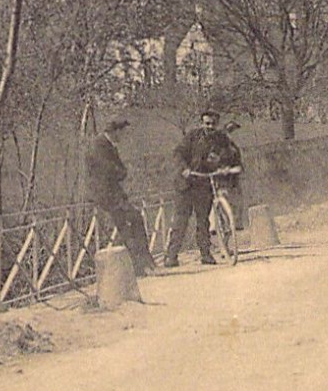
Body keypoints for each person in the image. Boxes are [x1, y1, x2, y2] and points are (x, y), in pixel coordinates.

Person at [164, 108, 243, 267]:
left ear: (217, 123)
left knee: (203, 221)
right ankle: (171, 256)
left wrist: (229, 167)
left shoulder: (221, 139)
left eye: (213, 124)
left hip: (203, 183)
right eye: (207, 123)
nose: (210, 127)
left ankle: (206, 254)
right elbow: (178, 153)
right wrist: (184, 168)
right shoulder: (192, 137)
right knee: (181, 221)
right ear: (202, 123)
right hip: (186, 184)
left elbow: (232, 154)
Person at [82, 119, 156, 275]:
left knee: (131, 222)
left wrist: (120, 172)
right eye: (123, 132)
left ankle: (142, 262)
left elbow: (119, 169)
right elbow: (111, 170)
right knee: (129, 222)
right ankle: (140, 263)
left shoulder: (107, 145)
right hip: (105, 195)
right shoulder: (99, 145)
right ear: (115, 131)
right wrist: (120, 172)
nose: (124, 136)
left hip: (112, 193)